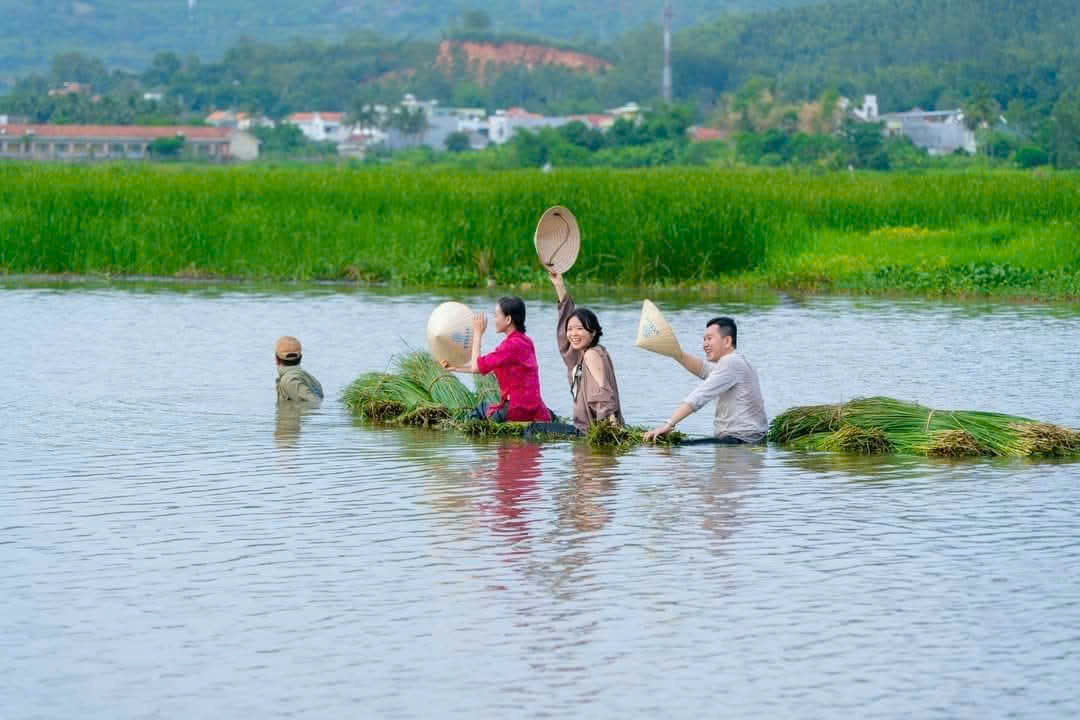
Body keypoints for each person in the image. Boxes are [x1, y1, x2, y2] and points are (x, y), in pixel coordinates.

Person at [643, 317, 767, 444]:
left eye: (709, 338)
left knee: (672, 447)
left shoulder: (730, 362)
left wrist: (668, 424)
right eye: (704, 339)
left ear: (727, 341)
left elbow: (699, 396)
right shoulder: (737, 362)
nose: (705, 344)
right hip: (749, 439)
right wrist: (675, 353)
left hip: (741, 440)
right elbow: (703, 369)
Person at [441, 297, 552, 422]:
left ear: (508, 319)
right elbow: (483, 368)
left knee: (481, 409)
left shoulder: (509, 345)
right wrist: (455, 368)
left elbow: (477, 366)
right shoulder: (526, 342)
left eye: (496, 315)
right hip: (535, 409)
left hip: (517, 410)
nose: (495, 320)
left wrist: (477, 334)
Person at [548, 270, 624, 432]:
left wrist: (612, 426)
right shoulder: (577, 356)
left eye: (580, 329)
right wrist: (559, 286)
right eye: (571, 329)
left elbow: (603, 390)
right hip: (584, 431)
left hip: (596, 432)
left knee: (534, 430)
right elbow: (563, 330)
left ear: (593, 332)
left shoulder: (592, 354)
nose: (573, 334)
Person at [274, 335, 324, 402]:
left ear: (276, 359)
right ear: (301, 357)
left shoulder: (289, 380)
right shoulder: (308, 377)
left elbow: (315, 402)